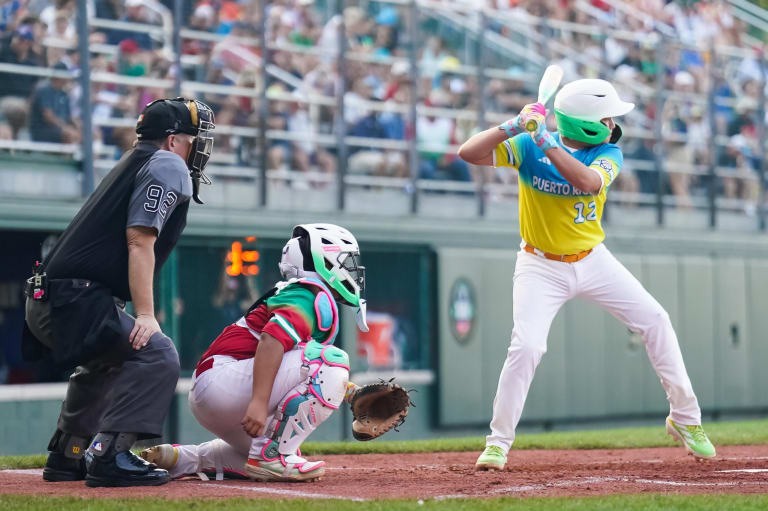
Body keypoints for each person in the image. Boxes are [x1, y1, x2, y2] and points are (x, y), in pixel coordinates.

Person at [457, 78, 715, 471]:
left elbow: (588, 182)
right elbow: (469, 153)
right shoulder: (527, 144)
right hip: (540, 265)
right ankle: (498, 443)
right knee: (527, 347)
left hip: (593, 260)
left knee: (656, 320)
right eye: (605, 118)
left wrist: (545, 141)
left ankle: (685, 418)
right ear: (584, 123)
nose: (612, 124)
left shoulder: (607, 151)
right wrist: (513, 126)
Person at [22, 97, 216, 487]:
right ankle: (109, 455)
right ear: (173, 140)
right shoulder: (167, 164)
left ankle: (68, 454)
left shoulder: (136, 159)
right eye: (193, 139)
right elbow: (139, 240)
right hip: (75, 299)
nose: (198, 148)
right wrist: (145, 313)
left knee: (108, 361)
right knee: (157, 354)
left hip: (50, 299)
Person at [140, 224, 370, 482]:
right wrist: (259, 403)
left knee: (265, 454)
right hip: (225, 382)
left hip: (217, 388)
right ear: (323, 262)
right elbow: (272, 341)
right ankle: (271, 456)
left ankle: (187, 458)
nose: (352, 268)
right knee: (333, 361)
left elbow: (296, 362)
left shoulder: (302, 293)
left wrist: (348, 392)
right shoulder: (307, 295)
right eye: (346, 260)